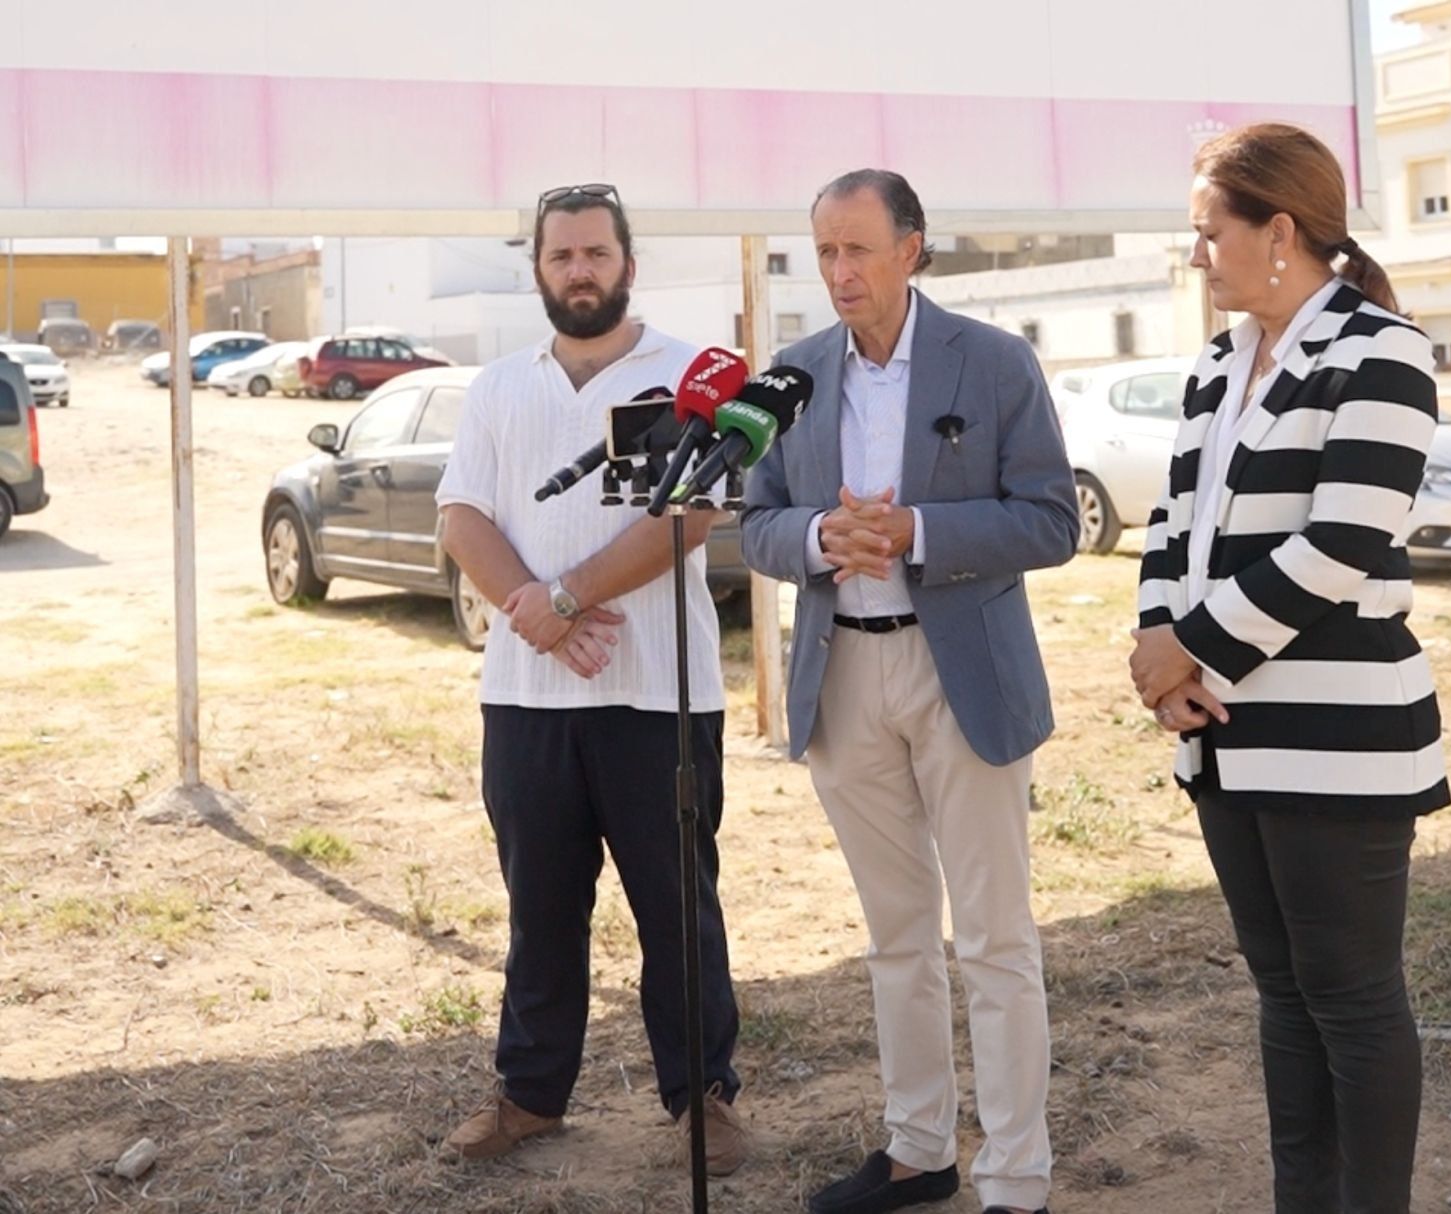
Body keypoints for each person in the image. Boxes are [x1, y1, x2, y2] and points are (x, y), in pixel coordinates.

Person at [741, 169, 1078, 1214]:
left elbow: (1051, 520)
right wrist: (814, 536)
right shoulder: (789, 376)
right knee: (895, 935)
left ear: (912, 249)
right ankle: (918, 1148)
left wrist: (915, 533)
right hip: (841, 671)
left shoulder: (992, 362)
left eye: (856, 250)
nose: (839, 272)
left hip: (958, 673)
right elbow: (755, 519)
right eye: (823, 252)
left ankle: (1015, 1179)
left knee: (994, 939)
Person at [1129, 123, 1450, 1213]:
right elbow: (1172, 527)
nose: (1196, 254)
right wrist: (1155, 654)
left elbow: (1340, 544)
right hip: (1222, 734)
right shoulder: (1218, 365)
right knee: (1282, 997)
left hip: (1339, 737)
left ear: (1277, 230)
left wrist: (1190, 644)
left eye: (1206, 231)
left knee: (1352, 1000)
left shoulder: (1381, 351)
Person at [435, 183, 746, 1173]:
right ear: (537, 269)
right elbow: (461, 517)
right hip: (527, 698)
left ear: (628, 266)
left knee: (677, 908)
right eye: (562, 254)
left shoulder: (691, 374)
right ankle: (528, 1095)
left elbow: (689, 517)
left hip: (660, 694)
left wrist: (563, 595)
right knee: (539, 908)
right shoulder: (496, 387)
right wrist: (536, 607)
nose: (580, 269)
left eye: (596, 253)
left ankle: (703, 1094)